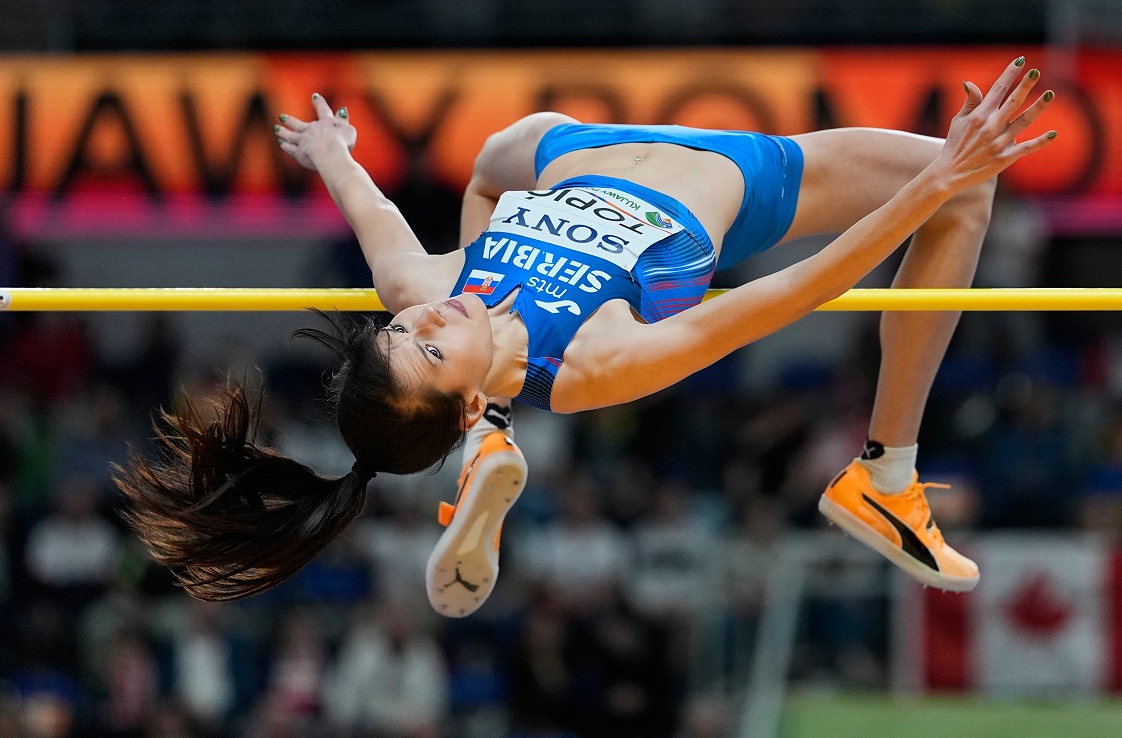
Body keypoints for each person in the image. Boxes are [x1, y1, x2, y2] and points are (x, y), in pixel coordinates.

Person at [115, 57, 1056, 615]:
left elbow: (378, 217)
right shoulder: (599, 358)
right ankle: (885, 477)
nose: (432, 317)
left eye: (408, 329)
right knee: (968, 186)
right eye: (434, 349)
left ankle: (488, 443)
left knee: (495, 156)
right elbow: (797, 291)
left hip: (580, 151)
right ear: (469, 391)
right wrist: (929, 184)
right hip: (746, 180)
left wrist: (332, 153)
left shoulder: (436, 287)